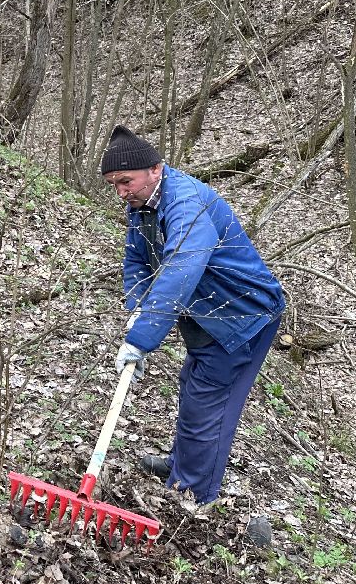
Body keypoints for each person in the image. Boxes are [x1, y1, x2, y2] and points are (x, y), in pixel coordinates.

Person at [101, 125, 284, 507]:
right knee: (192, 383)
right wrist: (137, 312)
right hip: (205, 310)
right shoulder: (144, 204)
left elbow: (180, 270)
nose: (121, 192)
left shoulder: (185, 204)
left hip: (241, 313)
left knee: (209, 402)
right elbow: (137, 260)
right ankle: (181, 464)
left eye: (126, 181)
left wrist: (141, 339)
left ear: (156, 169)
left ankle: (195, 493)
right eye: (113, 184)